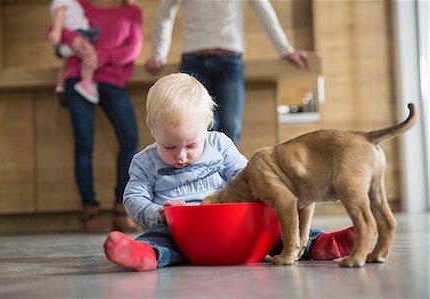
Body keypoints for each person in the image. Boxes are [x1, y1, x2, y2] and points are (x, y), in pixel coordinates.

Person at [103, 73, 355, 271]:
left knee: (275, 227)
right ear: (152, 128)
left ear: (207, 125)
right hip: (180, 229)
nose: (181, 155)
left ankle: (317, 243)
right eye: (169, 146)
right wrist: (157, 213)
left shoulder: (220, 144)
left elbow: (247, 175)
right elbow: (133, 198)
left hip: (231, 221)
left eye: (191, 145)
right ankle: (145, 254)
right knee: (160, 239)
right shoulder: (144, 161)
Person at [144, 0, 312, 145]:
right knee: (198, 127)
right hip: (193, 60)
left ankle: (224, 182)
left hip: (230, 60)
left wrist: (286, 50)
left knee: (231, 127)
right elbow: (165, 12)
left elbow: (263, 8)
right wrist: (158, 54)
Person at [47, 0, 143, 233]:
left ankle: (122, 208)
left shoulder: (132, 11)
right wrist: (74, 39)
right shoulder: (78, 4)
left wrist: (101, 56)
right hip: (77, 78)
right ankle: (88, 210)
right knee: (84, 145)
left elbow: (133, 49)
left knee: (130, 140)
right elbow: (53, 32)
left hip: (113, 81)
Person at [48, 0, 101, 104]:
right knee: (89, 54)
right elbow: (60, 14)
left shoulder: (71, 3)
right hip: (76, 34)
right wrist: (57, 31)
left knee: (65, 64)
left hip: (69, 37)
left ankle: (60, 86)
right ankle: (86, 82)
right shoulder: (64, 2)